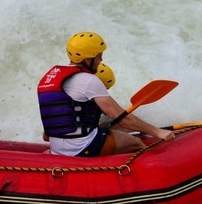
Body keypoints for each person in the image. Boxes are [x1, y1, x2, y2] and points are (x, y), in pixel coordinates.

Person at [37, 31, 174, 157]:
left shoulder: (49, 79)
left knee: (115, 128)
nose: (101, 60)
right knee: (135, 142)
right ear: (87, 59)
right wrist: (157, 132)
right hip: (81, 148)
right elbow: (123, 118)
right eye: (98, 56)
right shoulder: (88, 80)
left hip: (57, 150)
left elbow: (47, 135)